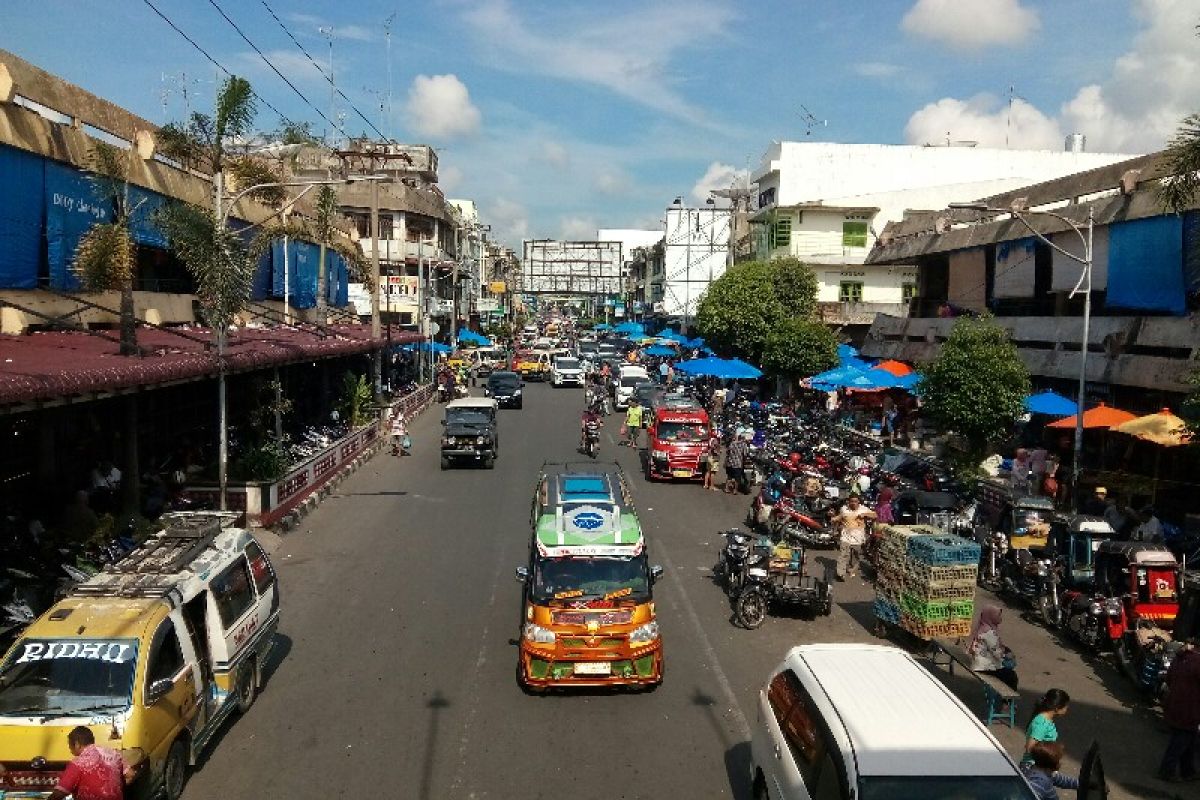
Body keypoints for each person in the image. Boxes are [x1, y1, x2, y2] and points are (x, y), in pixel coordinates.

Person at [48, 726, 135, 800]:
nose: (70, 750)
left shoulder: (78, 763)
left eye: (70, 745)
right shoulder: (114, 754)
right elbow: (130, 774)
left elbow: (59, 793)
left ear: (77, 744)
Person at [1157, 639, 1200, 782]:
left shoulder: (1181, 657)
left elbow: (1168, 679)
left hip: (1175, 704)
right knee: (1180, 740)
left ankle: (1188, 771)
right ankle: (1166, 771)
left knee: (1190, 739)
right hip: (1189, 709)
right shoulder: (1197, 662)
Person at [968, 605, 1019, 691]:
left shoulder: (982, 628)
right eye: (998, 615)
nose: (1000, 618)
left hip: (978, 664)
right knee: (1012, 676)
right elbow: (997, 654)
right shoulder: (989, 633)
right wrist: (1008, 655)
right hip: (985, 668)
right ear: (991, 617)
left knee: (1007, 673)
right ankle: (1007, 703)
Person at [1022, 689, 1071, 767]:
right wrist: (1052, 753)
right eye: (1065, 706)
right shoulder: (1041, 724)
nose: (1067, 708)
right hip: (1033, 766)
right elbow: (1029, 748)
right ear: (1057, 708)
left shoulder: (1046, 720)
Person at [833, 494, 876, 580]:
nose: (853, 503)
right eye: (851, 501)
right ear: (848, 502)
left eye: (855, 501)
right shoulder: (844, 509)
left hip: (858, 538)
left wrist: (865, 514)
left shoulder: (863, 509)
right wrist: (834, 520)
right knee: (843, 555)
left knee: (856, 556)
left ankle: (851, 569)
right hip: (845, 537)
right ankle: (840, 574)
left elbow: (875, 515)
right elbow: (840, 518)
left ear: (858, 502)